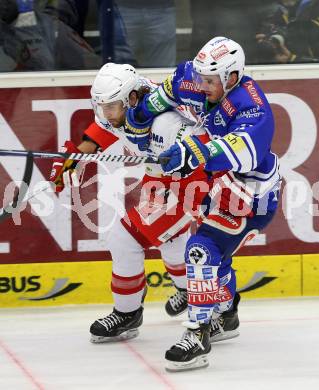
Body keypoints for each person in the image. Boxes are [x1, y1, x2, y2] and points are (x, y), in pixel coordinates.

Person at [125, 36, 281, 371]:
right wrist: (138, 120)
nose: (200, 85)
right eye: (200, 78)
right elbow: (164, 94)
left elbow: (241, 149)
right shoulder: (197, 78)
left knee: (200, 249)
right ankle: (227, 313)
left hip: (250, 194)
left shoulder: (252, 105)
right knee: (217, 259)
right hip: (216, 186)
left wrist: (191, 151)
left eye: (209, 81)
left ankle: (198, 334)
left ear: (231, 78)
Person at [49, 63, 218, 343]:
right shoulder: (125, 100)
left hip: (188, 185)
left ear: (132, 98)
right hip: (162, 181)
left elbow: (199, 152)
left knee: (124, 239)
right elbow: (104, 127)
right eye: (102, 106)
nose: (106, 113)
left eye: (111, 107)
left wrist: (166, 161)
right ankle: (193, 293)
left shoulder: (166, 120)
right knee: (172, 242)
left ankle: (128, 313)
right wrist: (75, 158)